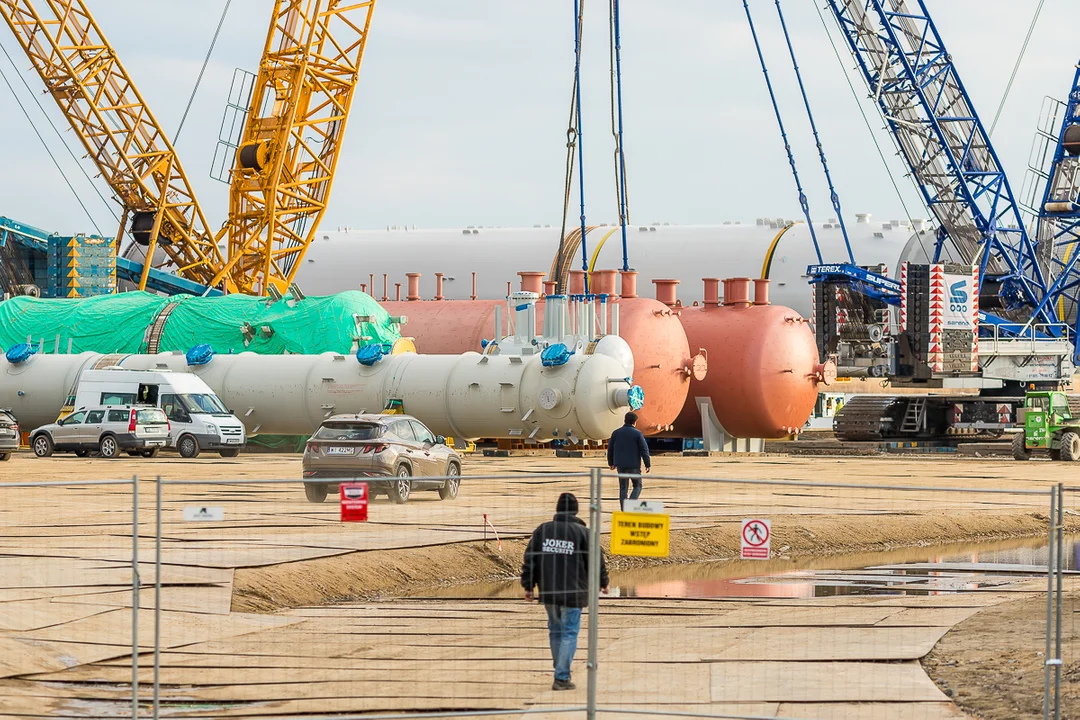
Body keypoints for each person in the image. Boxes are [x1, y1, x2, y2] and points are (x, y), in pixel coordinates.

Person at [521, 492, 609, 691]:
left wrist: (528, 586)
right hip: (573, 593)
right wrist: (603, 582)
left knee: (555, 630)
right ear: (576, 510)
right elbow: (596, 560)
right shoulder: (583, 533)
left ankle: (560, 668)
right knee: (569, 633)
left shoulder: (542, 531)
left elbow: (530, 560)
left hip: (549, 592)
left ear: (558, 509)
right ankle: (561, 676)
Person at [607, 411, 651, 510]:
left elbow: (610, 449)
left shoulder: (616, 433)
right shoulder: (637, 434)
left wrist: (611, 463)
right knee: (637, 486)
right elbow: (644, 449)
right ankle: (630, 505)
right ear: (635, 422)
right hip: (634, 466)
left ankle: (624, 509)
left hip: (621, 466)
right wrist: (647, 464)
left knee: (623, 488)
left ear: (624, 420)